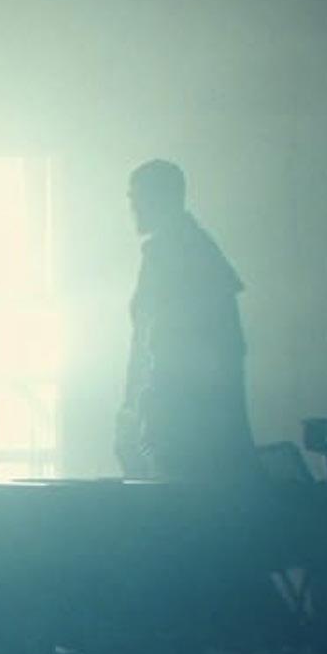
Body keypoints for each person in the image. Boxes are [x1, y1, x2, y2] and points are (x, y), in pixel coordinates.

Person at [119, 160, 252, 480]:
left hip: (179, 423)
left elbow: (161, 345)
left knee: (175, 499)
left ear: (160, 198)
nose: (133, 207)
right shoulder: (193, 249)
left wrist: (141, 412)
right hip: (184, 419)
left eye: (138, 197)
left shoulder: (174, 254)